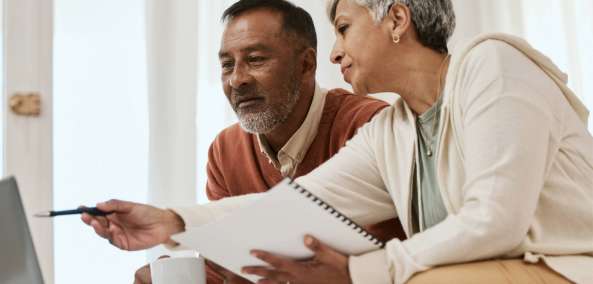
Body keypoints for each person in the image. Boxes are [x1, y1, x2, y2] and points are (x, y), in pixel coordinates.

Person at [84, 0, 593, 283]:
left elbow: (495, 221)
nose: (334, 53)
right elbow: (294, 205)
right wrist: (173, 222)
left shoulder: (490, 64)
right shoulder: (393, 130)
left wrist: (360, 273)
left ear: (396, 19)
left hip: (557, 271)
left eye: (344, 28)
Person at [130, 1, 405, 283]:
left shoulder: (371, 128)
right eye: (227, 65)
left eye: (255, 59)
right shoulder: (225, 151)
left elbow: (387, 264)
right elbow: (226, 268)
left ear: (306, 66)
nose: (236, 80)